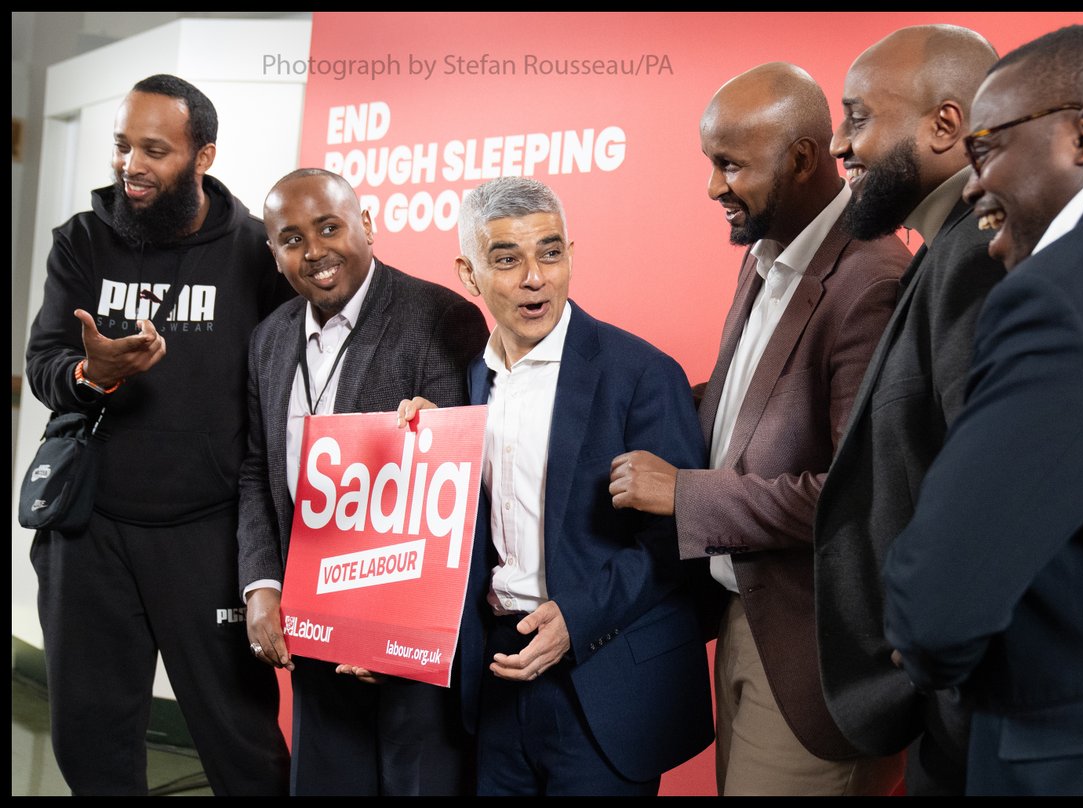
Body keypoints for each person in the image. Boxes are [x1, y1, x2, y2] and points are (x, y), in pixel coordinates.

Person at [882, 24, 1083, 795]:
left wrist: (923, 638)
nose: (973, 182)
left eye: (985, 149)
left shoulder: (1068, 291)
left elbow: (940, 602)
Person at [608, 62, 909, 796]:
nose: (713, 186)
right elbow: (743, 407)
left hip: (811, 657)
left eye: (730, 165)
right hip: (743, 618)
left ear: (801, 159)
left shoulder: (872, 280)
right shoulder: (766, 253)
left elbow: (853, 494)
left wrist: (687, 495)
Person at [23, 74, 293, 795]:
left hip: (207, 530)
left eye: (153, 150)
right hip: (89, 531)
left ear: (202, 156)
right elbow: (45, 363)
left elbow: (302, 367)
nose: (130, 166)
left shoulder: (252, 252)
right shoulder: (82, 241)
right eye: (121, 147)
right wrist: (94, 371)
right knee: (91, 739)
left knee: (242, 742)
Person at [413, 175, 713, 795]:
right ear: (469, 275)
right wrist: (420, 445)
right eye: (507, 259)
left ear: (571, 255)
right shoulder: (465, 384)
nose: (535, 277)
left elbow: (680, 539)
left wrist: (576, 619)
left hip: (605, 681)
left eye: (550, 253)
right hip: (496, 677)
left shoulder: (643, 374)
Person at [236, 168, 489, 795]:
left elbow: (453, 486)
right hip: (313, 626)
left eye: (330, 227)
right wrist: (260, 584)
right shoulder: (268, 339)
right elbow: (256, 468)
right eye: (292, 239)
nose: (315, 251)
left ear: (367, 226)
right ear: (273, 253)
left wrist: (388, 626)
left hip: (407, 645)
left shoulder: (442, 317)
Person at [814, 25, 1007, 796]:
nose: (838, 143)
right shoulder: (942, 253)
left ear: (946, 126)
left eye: (858, 117)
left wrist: (940, 653)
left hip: (972, 715)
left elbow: (991, 489)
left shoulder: (979, 262)